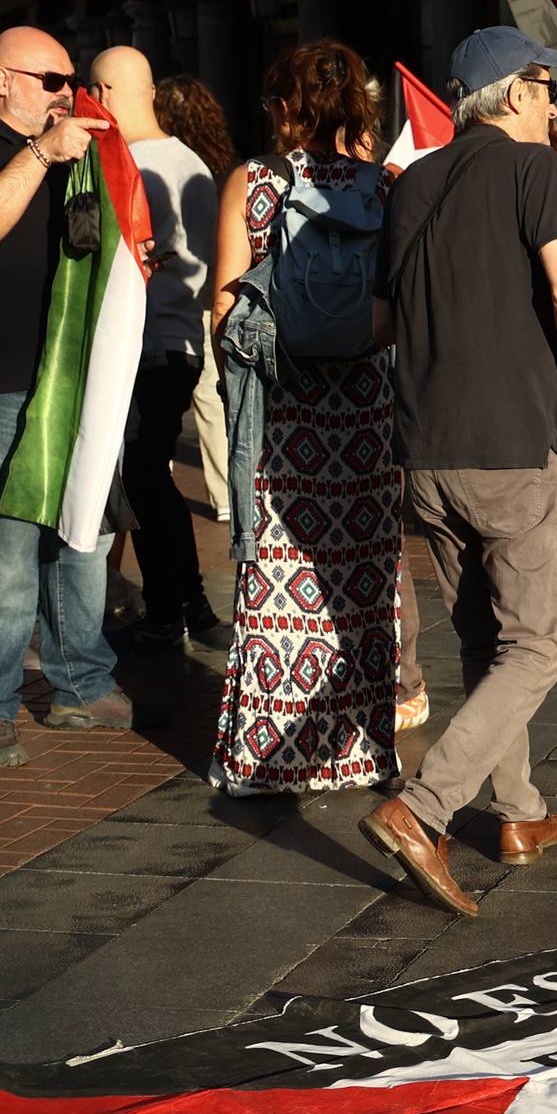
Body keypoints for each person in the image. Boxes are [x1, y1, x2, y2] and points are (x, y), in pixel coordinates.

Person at [358, 28, 557, 916]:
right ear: (509, 94)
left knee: (482, 640)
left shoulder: (415, 179)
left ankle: (517, 812)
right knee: (534, 645)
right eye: (544, 85)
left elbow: (380, 324)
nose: (554, 103)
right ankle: (422, 809)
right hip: (511, 438)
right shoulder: (533, 172)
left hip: (426, 447)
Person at [202, 40, 403, 796]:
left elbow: (227, 310)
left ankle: (263, 761)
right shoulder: (386, 189)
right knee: (361, 582)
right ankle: (365, 753)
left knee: (279, 581)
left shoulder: (252, 183)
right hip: (366, 413)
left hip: (283, 417)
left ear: (285, 109)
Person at [0, 26, 136, 767]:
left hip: (78, 373)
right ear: (2, 80)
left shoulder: (74, 150)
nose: (65, 92)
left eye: (69, 78)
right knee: (5, 548)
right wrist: (40, 154)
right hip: (0, 376)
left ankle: (80, 683)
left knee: (84, 533)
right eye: (51, 79)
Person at [86, 46, 225, 656]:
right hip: (181, 338)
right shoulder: (187, 158)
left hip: (145, 344)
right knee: (149, 475)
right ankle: (183, 602)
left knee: (144, 476)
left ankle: (176, 605)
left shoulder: (130, 163)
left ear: (106, 91)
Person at [157, 73, 238, 526]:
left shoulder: (160, 164)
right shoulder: (224, 166)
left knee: (158, 389)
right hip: (212, 290)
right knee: (209, 395)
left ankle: (158, 470)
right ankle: (224, 491)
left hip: (168, 292)